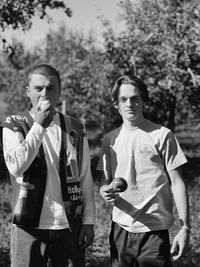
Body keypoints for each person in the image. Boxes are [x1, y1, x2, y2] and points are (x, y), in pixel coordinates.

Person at [1, 64, 95, 267]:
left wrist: (89, 221)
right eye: (38, 88)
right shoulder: (14, 124)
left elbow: (85, 175)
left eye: (51, 88)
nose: (44, 93)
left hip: (70, 224)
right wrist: (39, 126)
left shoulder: (75, 128)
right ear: (28, 92)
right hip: (28, 225)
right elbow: (16, 166)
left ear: (59, 92)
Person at [97, 74, 190, 267]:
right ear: (116, 104)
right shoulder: (109, 140)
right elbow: (104, 181)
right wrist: (104, 191)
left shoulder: (162, 135)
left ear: (143, 101)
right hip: (120, 229)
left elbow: (178, 182)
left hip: (154, 232)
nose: (129, 104)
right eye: (123, 99)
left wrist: (185, 227)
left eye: (135, 98)